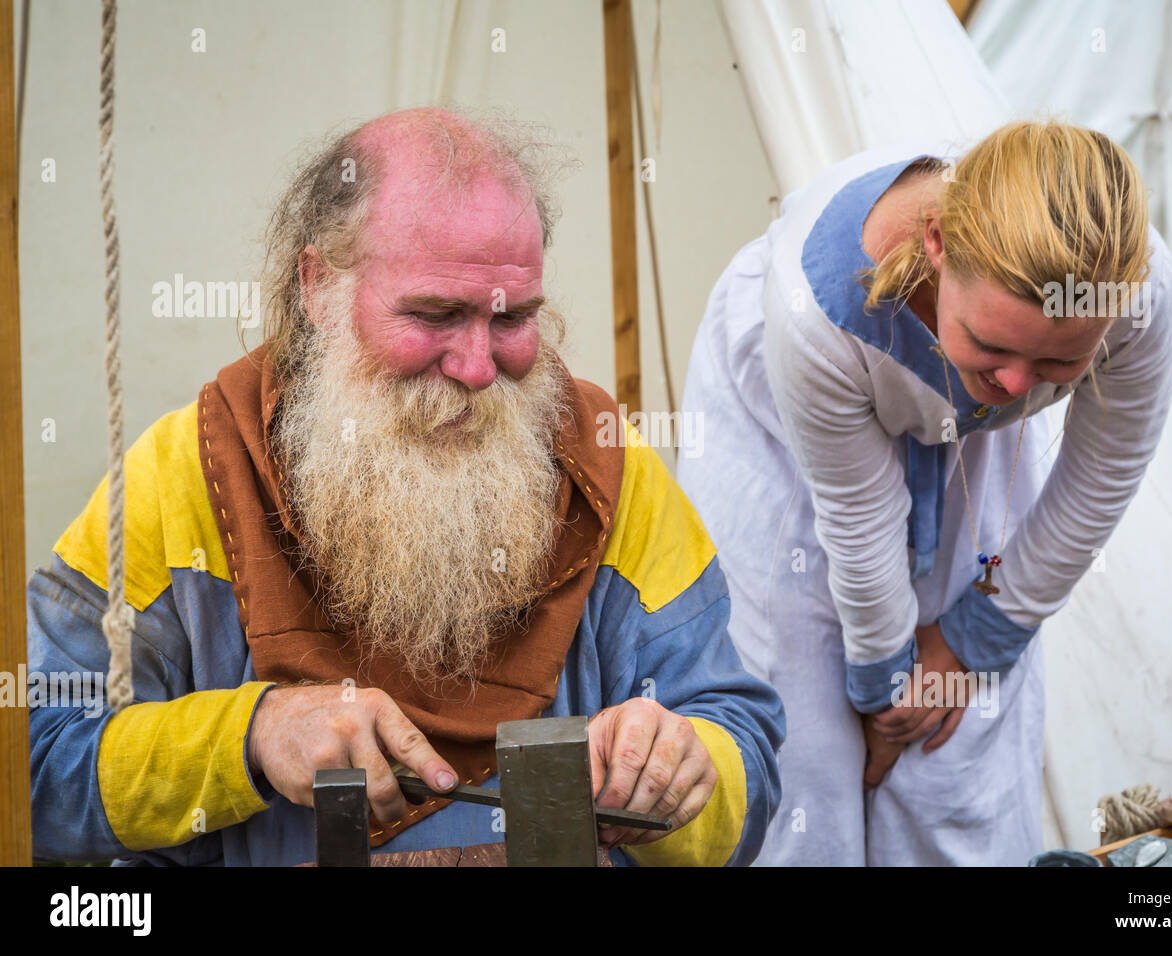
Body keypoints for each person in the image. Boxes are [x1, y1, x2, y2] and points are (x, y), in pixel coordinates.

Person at [26, 107, 783, 867]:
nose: (479, 367)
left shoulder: (611, 464)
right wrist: (251, 736)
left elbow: (743, 753)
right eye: (434, 314)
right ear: (319, 287)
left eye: (512, 317)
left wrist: (680, 769)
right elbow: (29, 768)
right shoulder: (184, 473)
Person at [676, 121, 1172, 866]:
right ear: (939, 244)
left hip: (959, 441)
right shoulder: (809, 311)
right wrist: (884, 693)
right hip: (783, 431)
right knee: (802, 737)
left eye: (1057, 362)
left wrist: (975, 637)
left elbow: (1101, 473)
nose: (1016, 386)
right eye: (996, 346)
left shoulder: (1136, 292)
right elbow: (858, 519)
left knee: (954, 748)